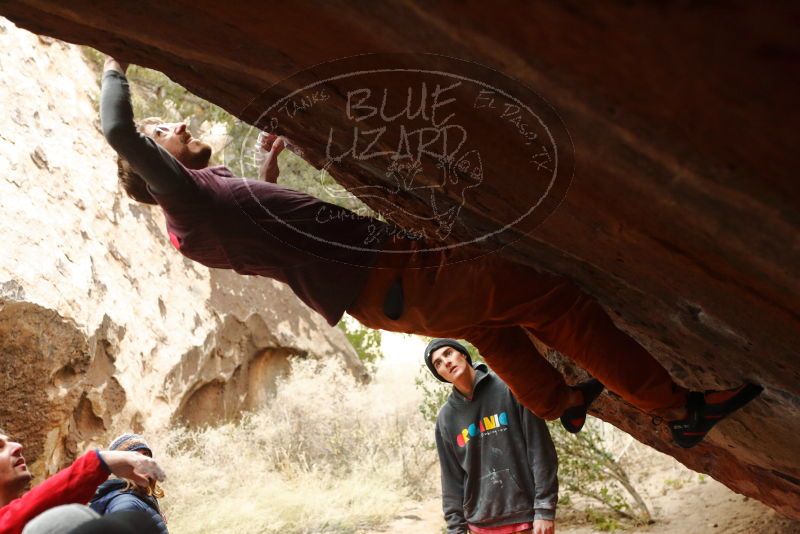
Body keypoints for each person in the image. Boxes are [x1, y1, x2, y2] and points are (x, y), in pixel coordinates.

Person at [100, 56, 762, 448]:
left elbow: (264, 228)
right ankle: (679, 411)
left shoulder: (205, 205)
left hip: (390, 291)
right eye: (163, 132)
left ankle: (561, 405)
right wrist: (112, 61)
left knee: (494, 328)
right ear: (154, 170)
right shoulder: (182, 206)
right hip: (397, 277)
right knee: (556, 302)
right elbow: (119, 130)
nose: (175, 125)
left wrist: (268, 163)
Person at [427, 339, 558, 534]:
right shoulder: (447, 418)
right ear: (440, 375)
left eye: (448, 353)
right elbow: (451, 478)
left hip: (526, 518)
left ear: (463, 354)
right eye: (438, 363)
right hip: (480, 524)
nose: (446, 362)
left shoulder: (509, 387)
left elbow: (540, 449)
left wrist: (545, 509)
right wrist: (456, 529)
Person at [0, 428, 165, 534]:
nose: (17, 446)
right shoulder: (125, 501)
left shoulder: (143, 497)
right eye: (0, 446)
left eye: (146, 456)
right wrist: (101, 462)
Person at [89, 434, 167, 534]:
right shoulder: (126, 503)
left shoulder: (140, 495)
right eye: (135, 456)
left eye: (145, 454)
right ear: (120, 466)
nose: (142, 461)